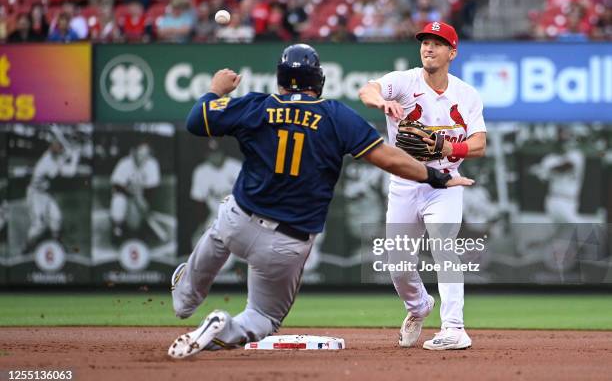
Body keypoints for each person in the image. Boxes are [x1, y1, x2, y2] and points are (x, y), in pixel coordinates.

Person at [168, 43, 474, 358]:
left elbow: (196, 121)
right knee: (262, 317)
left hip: (239, 218)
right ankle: (224, 326)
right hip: (288, 240)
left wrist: (215, 92)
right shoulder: (335, 116)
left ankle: (186, 297)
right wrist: (436, 176)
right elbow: (390, 159)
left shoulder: (256, 105)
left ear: (280, 79)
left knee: (219, 232)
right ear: (320, 80)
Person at [359, 21, 487, 350]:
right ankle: (418, 307)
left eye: (438, 43)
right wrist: (380, 103)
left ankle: (454, 327)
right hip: (404, 182)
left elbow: (479, 144)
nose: (429, 48)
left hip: (445, 183)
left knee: (445, 246)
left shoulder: (466, 95)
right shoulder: (404, 82)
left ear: (452, 52)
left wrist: (449, 148)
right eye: (425, 42)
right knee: (398, 264)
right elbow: (367, 89)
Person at [24, 136, 80, 253]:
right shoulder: (47, 163)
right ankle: (28, 247)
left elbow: (61, 157)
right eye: (59, 148)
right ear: (52, 149)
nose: (61, 151)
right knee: (39, 225)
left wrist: (67, 153)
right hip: (36, 195)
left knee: (57, 218)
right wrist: (75, 157)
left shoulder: (51, 154)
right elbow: (70, 172)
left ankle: (56, 243)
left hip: (47, 193)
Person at [109, 142, 161, 245]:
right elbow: (116, 186)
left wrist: (143, 202)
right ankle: (117, 228)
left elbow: (152, 190)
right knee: (117, 202)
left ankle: (143, 225)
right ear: (134, 153)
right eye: (140, 154)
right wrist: (131, 193)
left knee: (136, 224)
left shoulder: (152, 164)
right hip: (124, 195)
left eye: (146, 155)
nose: (143, 158)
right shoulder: (124, 163)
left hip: (141, 196)